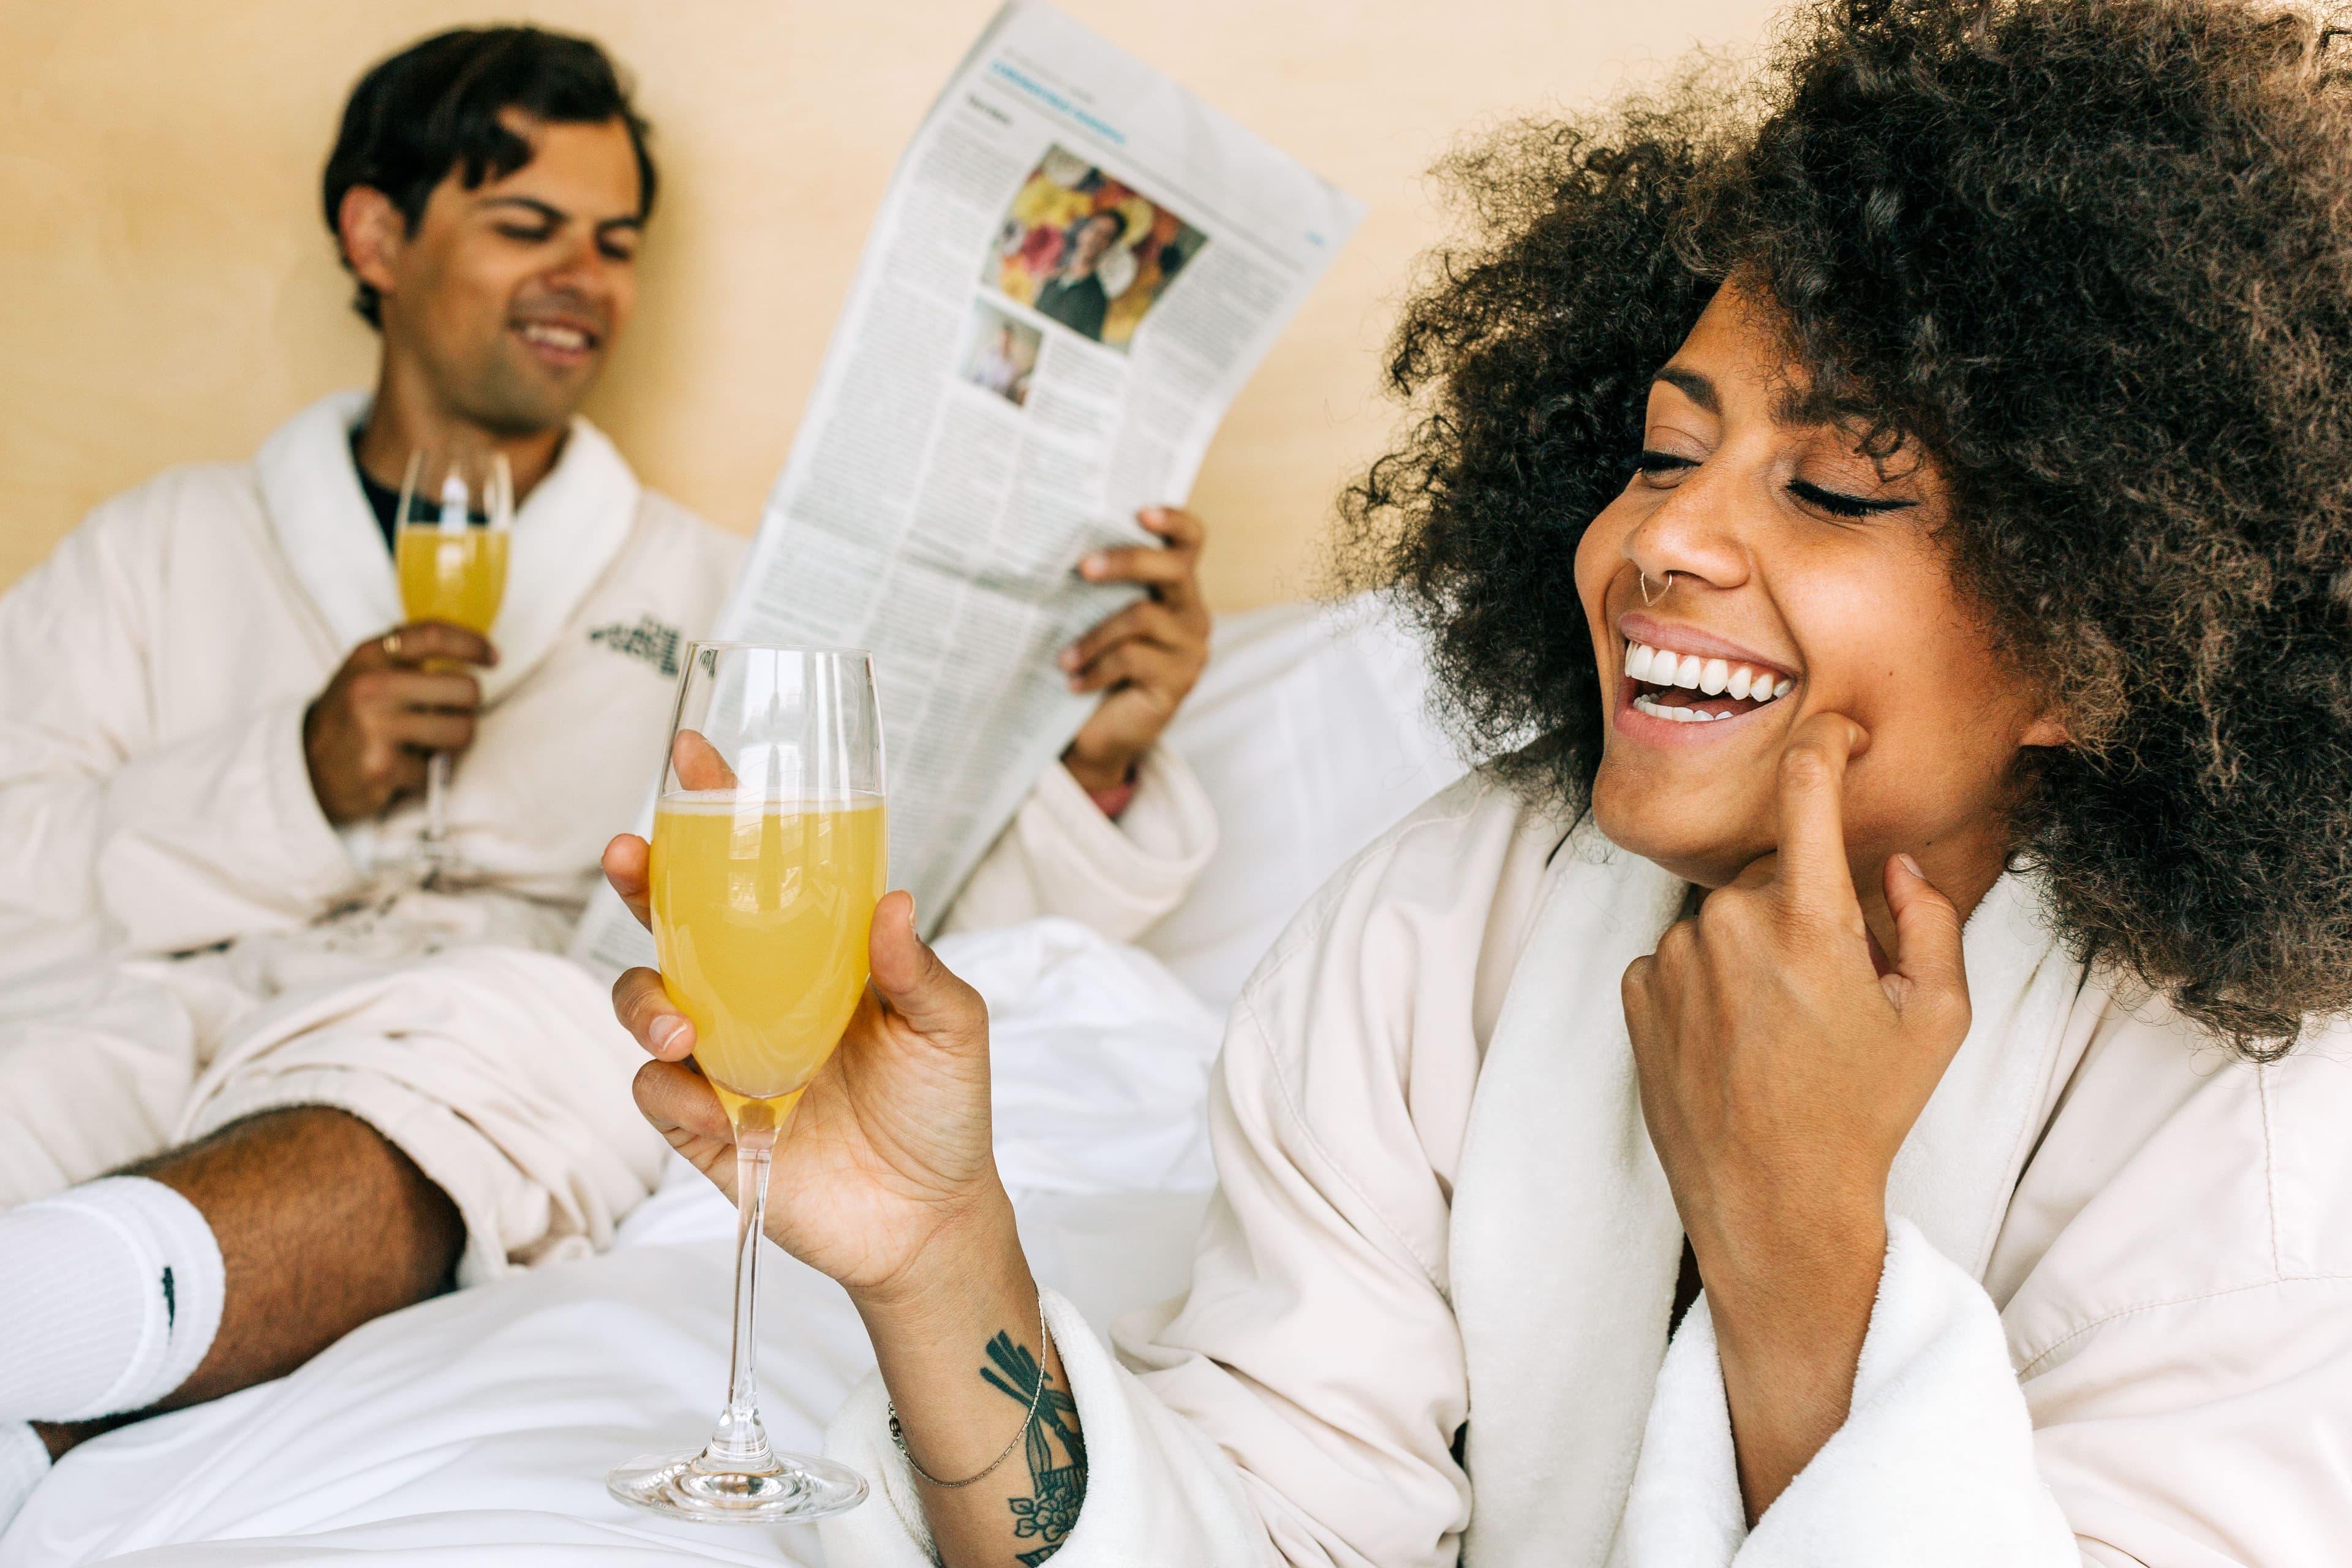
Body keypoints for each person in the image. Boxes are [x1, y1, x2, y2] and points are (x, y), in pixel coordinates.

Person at [600, 1, 2352, 1562]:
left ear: (2091, 625)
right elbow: (1274, 1527)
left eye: (1831, 491)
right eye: (1666, 453)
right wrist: (935, 1253)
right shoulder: (1444, 923)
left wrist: (1799, 1251)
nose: (1666, 535)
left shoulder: (2260, 1114)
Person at [0, 23, 1216, 1517]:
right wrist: (289, 779)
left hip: (479, 1025)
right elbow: (16, 856)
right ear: (376, 235)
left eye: (615, 241)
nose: (583, 276)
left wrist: (1091, 753)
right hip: (157, 994)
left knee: (492, 1046)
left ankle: (48, 1365)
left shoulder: (718, 597)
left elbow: (914, 904)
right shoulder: (159, 548)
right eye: (526, 227)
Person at [1032, 211, 1125, 342]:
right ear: (1083, 231)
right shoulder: (1051, 278)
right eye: (1093, 228)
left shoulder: (1097, 299)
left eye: (1105, 235)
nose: (1095, 237)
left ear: (1109, 246)